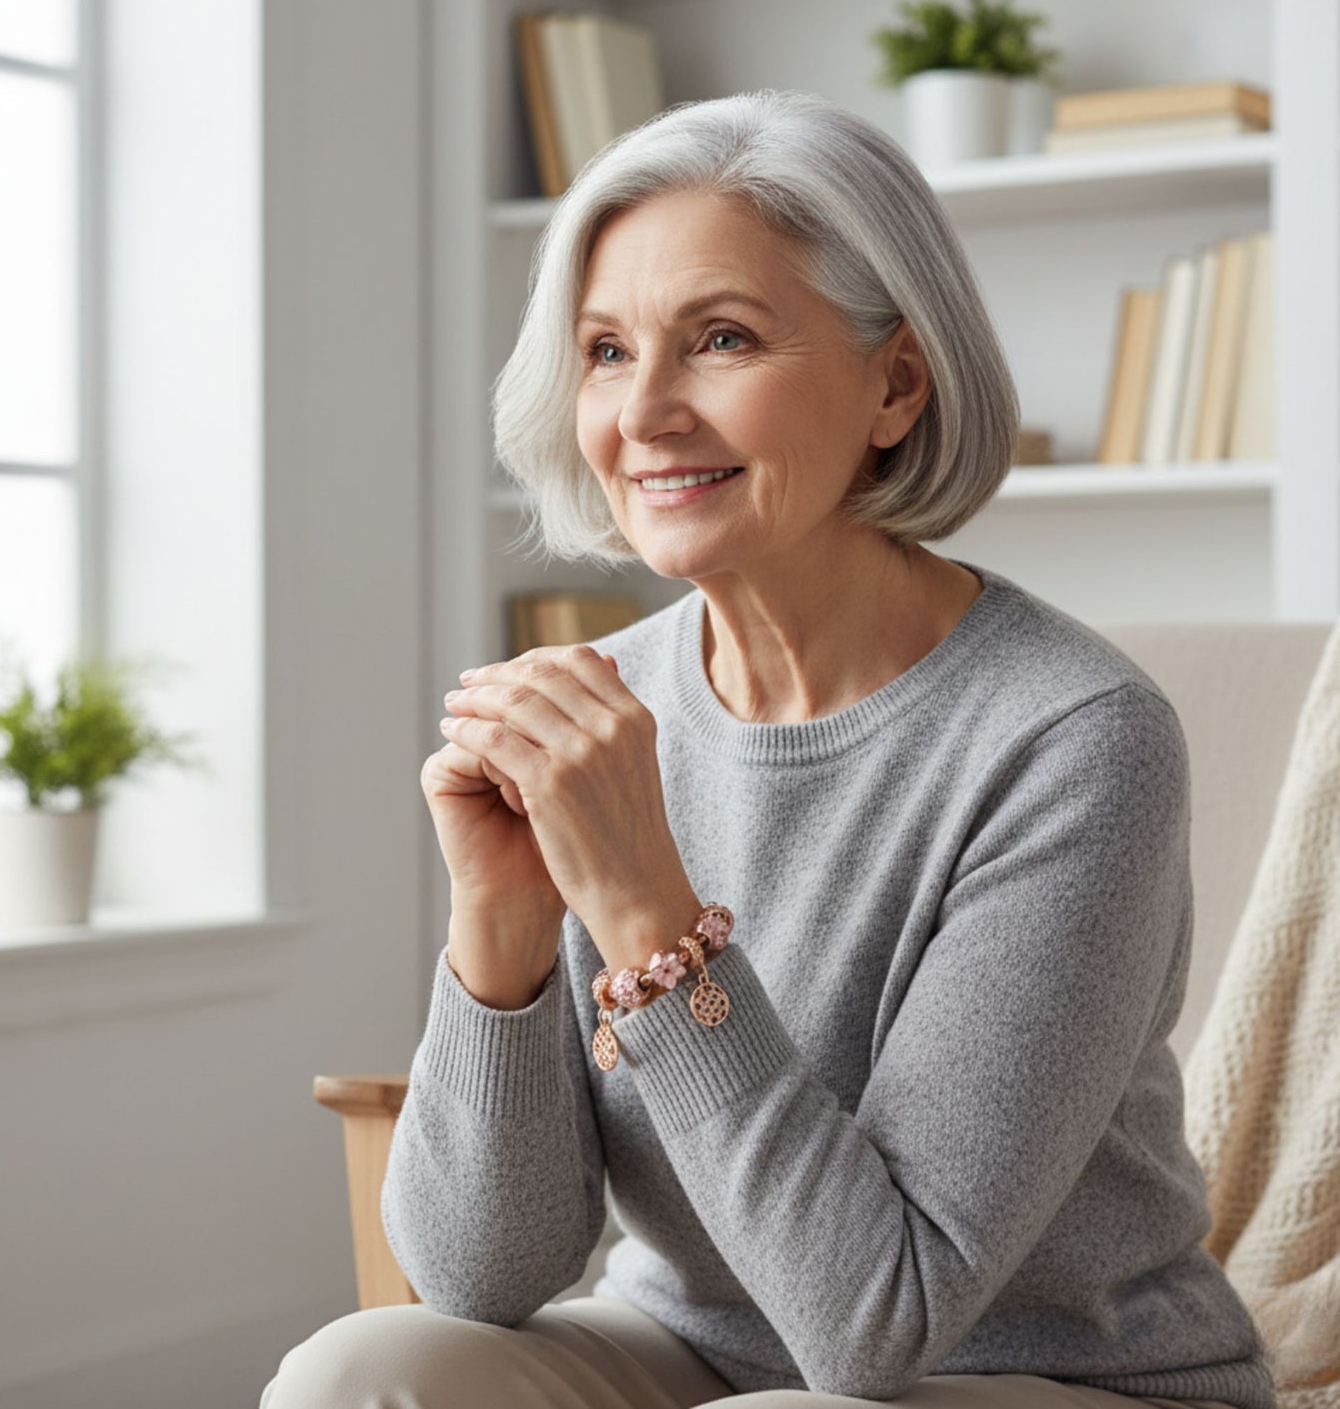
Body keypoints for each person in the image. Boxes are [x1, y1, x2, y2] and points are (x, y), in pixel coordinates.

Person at [259, 89, 1277, 1409]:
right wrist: (500, 940)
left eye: (720, 338)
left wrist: (641, 906)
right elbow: (479, 1274)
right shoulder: (605, 709)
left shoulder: (1072, 739)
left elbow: (874, 1324)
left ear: (894, 383)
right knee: (361, 1370)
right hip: (696, 1349)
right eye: (606, 351)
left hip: (1043, 1373)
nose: (644, 413)